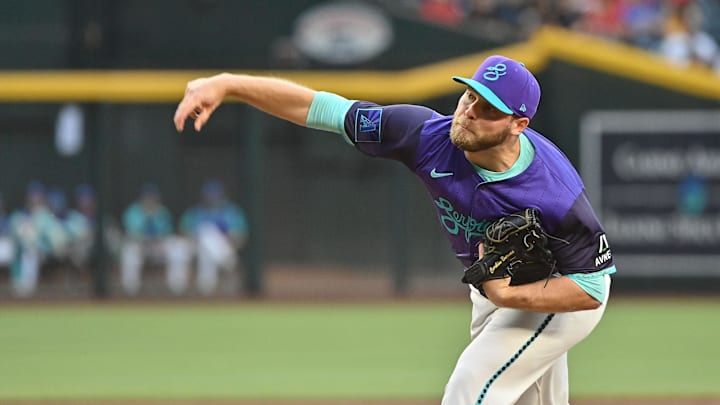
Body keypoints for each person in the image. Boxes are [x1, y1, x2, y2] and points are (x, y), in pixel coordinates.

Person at [173, 54, 617, 404]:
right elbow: (322, 108)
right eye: (470, 97)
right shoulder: (425, 135)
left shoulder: (553, 193)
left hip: (557, 293)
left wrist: (510, 296)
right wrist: (229, 84)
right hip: (496, 288)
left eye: (488, 109)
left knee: (472, 386)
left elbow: (592, 287)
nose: (469, 112)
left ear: (518, 125)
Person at [179, 179, 248, 295]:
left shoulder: (231, 212)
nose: (212, 198)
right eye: (209, 195)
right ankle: (180, 289)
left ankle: (206, 287)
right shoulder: (196, 212)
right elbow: (184, 231)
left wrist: (227, 240)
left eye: (215, 194)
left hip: (227, 248)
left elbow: (241, 235)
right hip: (196, 247)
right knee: (205, 235)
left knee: (208, 239)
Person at [119, 183, 189, 296]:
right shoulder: (133, 211)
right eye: (147, 196)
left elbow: (167, 233)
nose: (150, 199)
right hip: (140, 246)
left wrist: (157, 241)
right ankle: (130, 291)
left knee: (178, 247)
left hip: (158, 246)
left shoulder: (162, 212)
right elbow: (131, 234)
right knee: (130, 250)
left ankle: (177, 289)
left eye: (152, 196)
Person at [8, 182, 69, 297]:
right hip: (22, 251)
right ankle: (22, 286)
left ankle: (26, 287)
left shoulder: (46, 216)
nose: (35, 199)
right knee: (28, 247)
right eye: (33, 195)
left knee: (32, 248)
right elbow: (18, 234)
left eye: (38, 196)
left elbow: (57, 237)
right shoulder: (20, 215)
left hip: (47, 252)